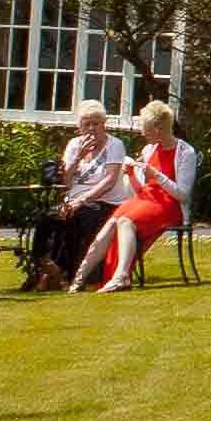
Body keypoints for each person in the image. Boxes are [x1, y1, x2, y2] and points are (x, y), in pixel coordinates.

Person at [78, 101, 191, 291]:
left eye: (145, 128)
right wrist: (131, 174)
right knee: (113, 221)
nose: (142, 132)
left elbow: (183, 195)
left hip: (170, 205)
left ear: (158, 128)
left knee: (125, 221)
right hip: (148, 199)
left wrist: (157, 175)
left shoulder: (186, 152)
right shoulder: (149, 150)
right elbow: (141, 190)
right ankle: (80, 278)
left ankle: (121, 276)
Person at [33, 109, 125, 291]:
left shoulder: (115, 145)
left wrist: (81, 200)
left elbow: (109, 181)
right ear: (79, 128)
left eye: (96, 124)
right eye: (86, 124)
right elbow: (66, 183)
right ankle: (46, 265)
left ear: (103, 125)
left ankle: (76, 274)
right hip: (73, 200)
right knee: (44, 217)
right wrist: (78, 157)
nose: (91, 128)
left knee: (80, 216)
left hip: (103, 201)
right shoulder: (74, 145)